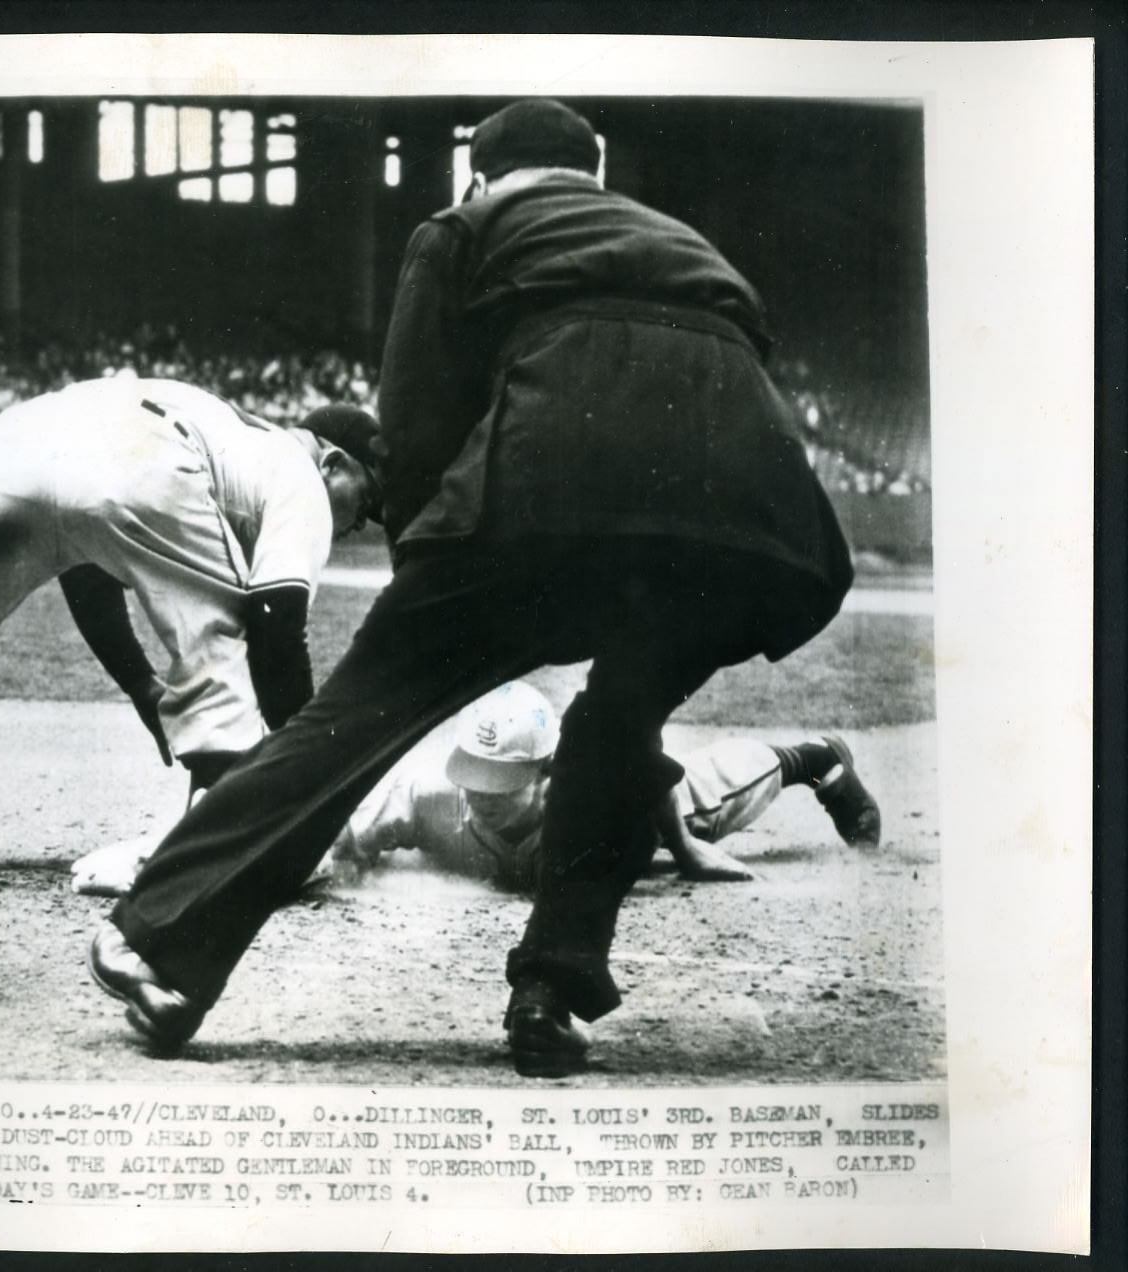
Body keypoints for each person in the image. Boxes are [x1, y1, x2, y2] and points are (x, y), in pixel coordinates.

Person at [88, 99, 855, 1077]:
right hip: (745, 513)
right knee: (621, 725)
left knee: (356, 718)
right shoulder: (681, 240)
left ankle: (159, 939)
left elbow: (413, 415)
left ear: (481, 175)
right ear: (595, 169)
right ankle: (553, 991)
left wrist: (425, 577)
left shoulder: (466, 224)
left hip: (548, 482)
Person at [0, 376, 382, 876]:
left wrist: (142, 684)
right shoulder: (298, 471)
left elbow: (84, 564)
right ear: (332, 462)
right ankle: (207, 821)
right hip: (140, 450)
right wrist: (320, 782)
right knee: (219, 635)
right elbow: (277, 631)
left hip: (7, 447)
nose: (360, 522)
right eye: (364, 501)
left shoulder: (230, 432)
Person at [69, 680, 879, 895]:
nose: (484, 793)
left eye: (504, 780)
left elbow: (648, 766)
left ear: (545, 770)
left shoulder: (583, 789)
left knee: (711, 793)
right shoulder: (431, 799)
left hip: (640, 817)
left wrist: (689, 851)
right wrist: (171, 861)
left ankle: (813, 756)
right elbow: (319, 826)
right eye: (478, 777)